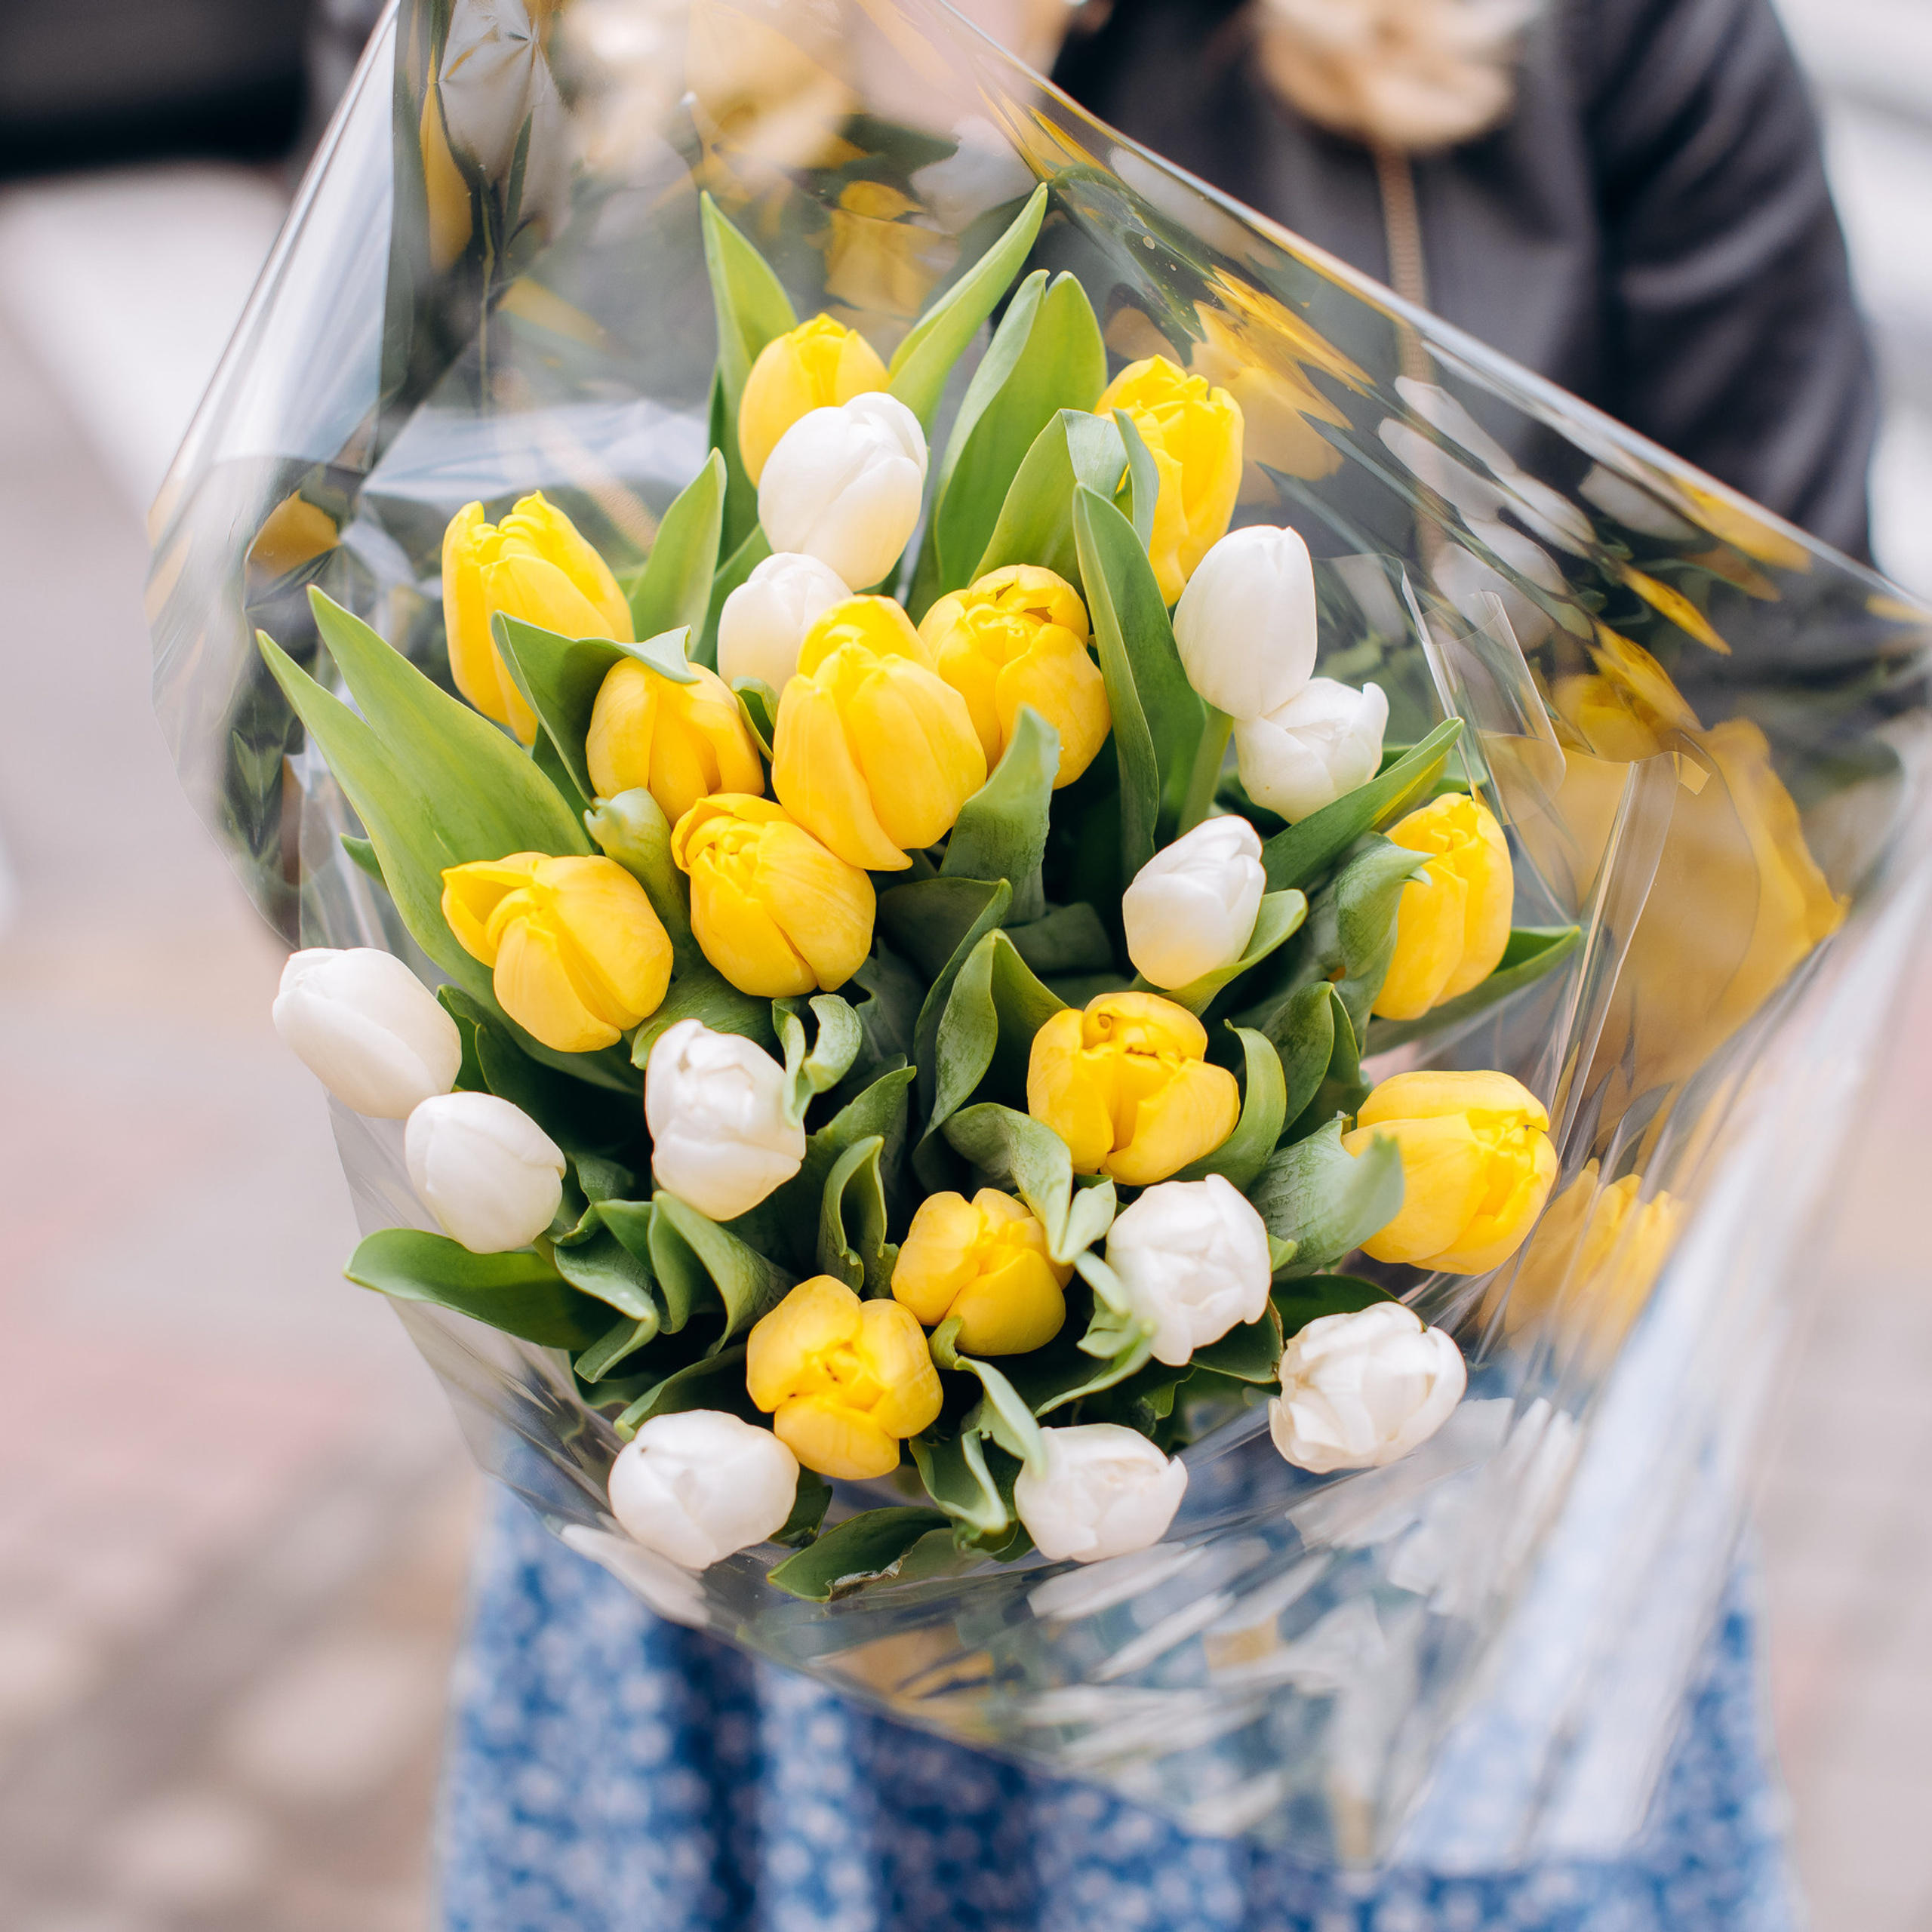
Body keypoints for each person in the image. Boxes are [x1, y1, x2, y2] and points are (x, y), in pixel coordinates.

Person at [434, 1, 1873, 1926]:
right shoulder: (550, 36)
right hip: (751, 1433)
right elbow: (354, 603)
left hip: (1397, 1396)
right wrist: (686, 1165)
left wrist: (1331, 1148)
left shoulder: (1599, 30)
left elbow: (1775, 705)